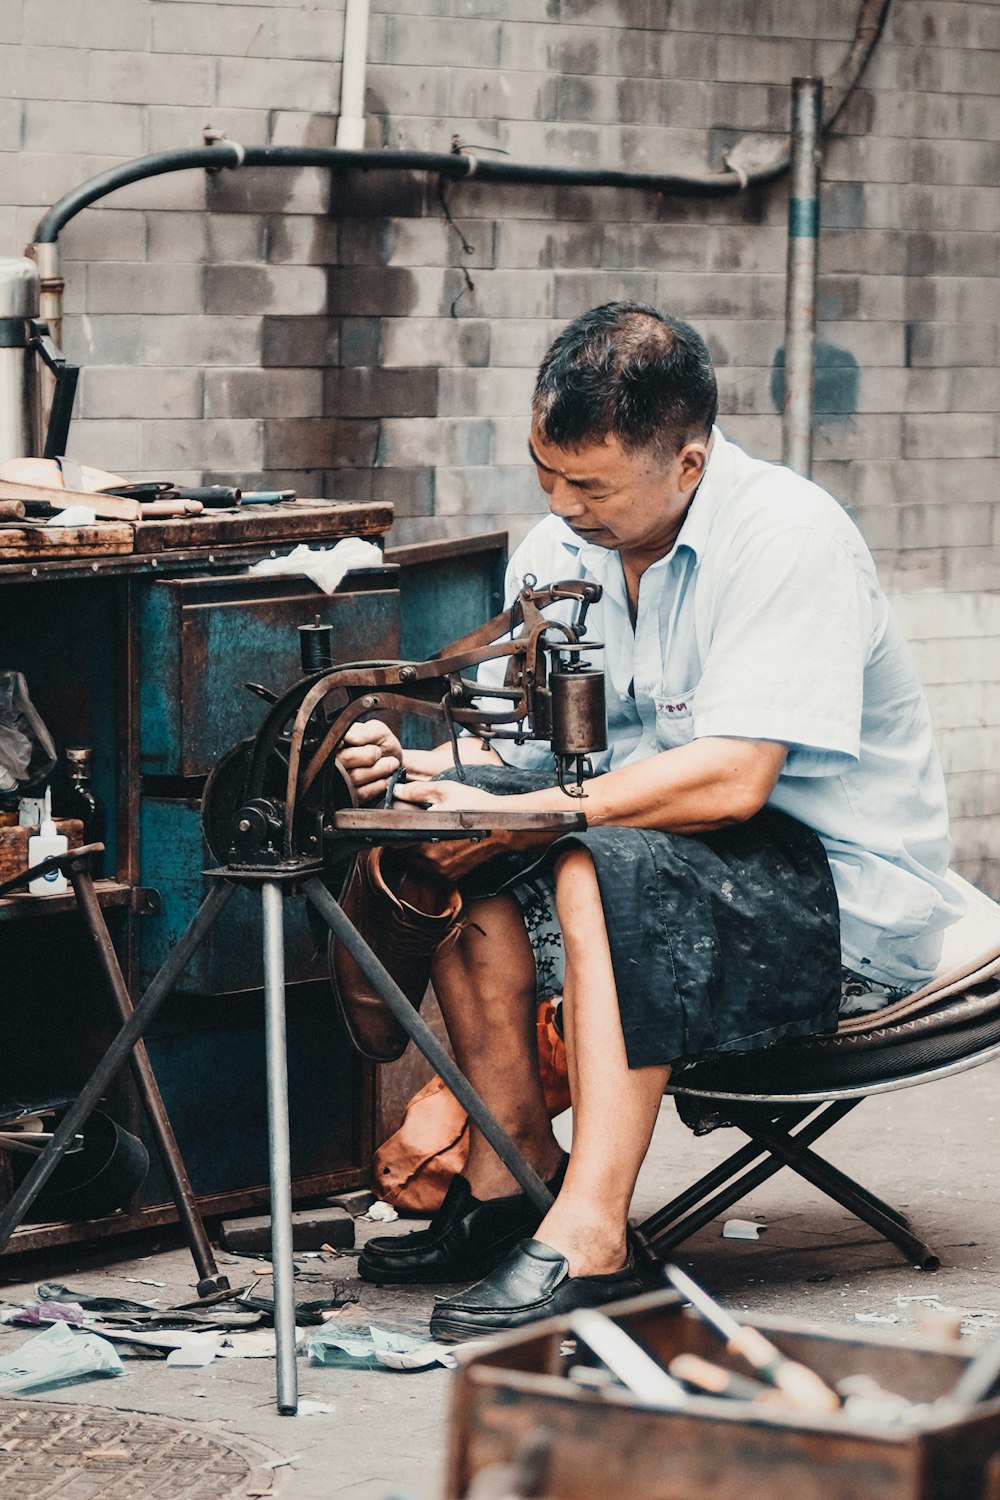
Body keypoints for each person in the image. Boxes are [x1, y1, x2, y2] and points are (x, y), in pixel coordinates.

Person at [334, 302, 962, 1342]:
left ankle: (594, 1239)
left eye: (589, 486)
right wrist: (434, 769)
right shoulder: (555, 549)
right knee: (462, 861)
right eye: (548, 475)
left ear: (688, 462)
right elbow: (534, 752)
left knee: (594, 866)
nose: (561, 506)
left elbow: (731, 783)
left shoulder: (786, 537)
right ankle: (509, 1188)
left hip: (839, 898)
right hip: (666, 862)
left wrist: (543, 812)